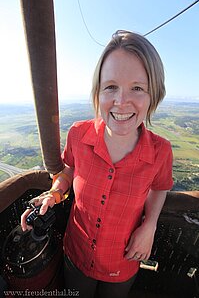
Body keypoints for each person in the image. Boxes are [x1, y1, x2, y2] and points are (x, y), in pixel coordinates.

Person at [21, 30, 173, 298]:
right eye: (111, 86)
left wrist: (149, 226)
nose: (121, 101)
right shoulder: (78, 134)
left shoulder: (160, 151)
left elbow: (160, 187)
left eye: (137, 88)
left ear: (153, 95)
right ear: (98, 92)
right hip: (76, 253)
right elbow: (68, 169)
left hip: (122, 262)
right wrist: (55, 192)